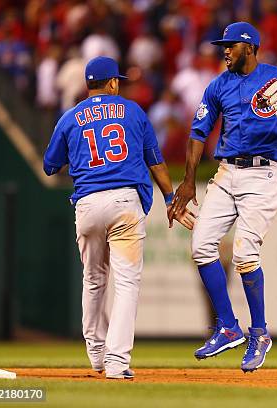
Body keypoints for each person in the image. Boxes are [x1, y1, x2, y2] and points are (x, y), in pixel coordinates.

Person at [168, 21, 277, 372]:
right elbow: (197, 132)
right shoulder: (218, 85)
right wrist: (189, 182)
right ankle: (227, 327)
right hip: (226, 172)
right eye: (224, 45)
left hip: (265, 174)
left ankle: (260, 333)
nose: (225, 50)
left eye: (231, 45)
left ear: (249, 47)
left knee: (244, 254)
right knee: (201, 246)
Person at [43, 56, 193, 380]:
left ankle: (96, 354)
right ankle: (116, 362)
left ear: (88, 84)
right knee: (126, 284)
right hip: (125, 201)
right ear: (112, 83)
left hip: (86, 204)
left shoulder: (70, 118)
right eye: (118, 81)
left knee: (94, 279)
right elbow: (156, 162)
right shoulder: (134, 111)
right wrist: (170, 198)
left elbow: (50, 166)